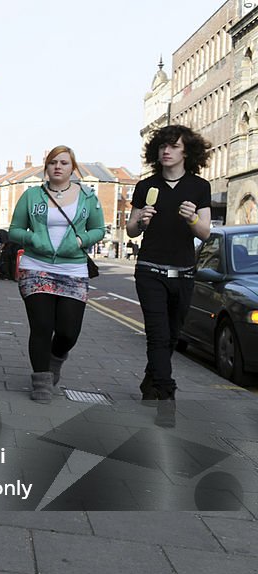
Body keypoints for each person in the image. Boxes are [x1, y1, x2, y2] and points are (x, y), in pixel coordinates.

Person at [126, 125, 211, 424]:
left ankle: (151, 382)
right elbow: (131, 229)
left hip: (184, 272)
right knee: (158, 335)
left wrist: (192, 219)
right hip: (150, 269)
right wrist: (142, 222)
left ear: (186, 151)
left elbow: (206, 232)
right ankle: (166, 393)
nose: (166, 150)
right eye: (162, 146)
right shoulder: (146, 186)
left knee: (172, 336)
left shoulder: (199, 187)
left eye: (173, 146)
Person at [8, 145, 106, 402]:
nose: (58, 166)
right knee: (41, 326)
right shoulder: (31, 196)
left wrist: (81, 241)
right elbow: (14, 230)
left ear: (73, 168)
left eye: (63, 162)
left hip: (73, 269)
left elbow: (99, 230)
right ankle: (41, 381)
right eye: (53, 162)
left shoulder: (88, 197)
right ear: (47, 167)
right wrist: (33, 238)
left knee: (67, 332)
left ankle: (55, 359)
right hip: (36, 268)